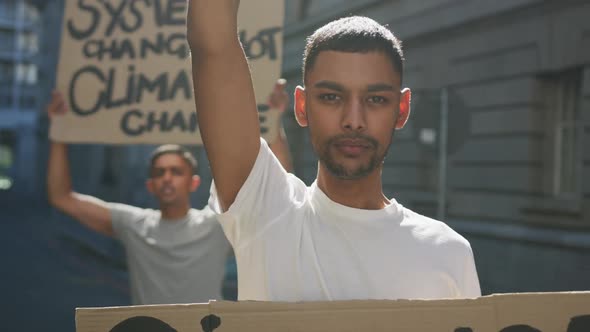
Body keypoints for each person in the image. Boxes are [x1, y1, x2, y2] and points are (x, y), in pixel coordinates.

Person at [187, 1, 481, 302]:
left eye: (376, 99)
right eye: (331, 97)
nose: (353, 120)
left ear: (402, 110)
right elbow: (213, 44)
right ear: (301, 107)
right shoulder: (265, 212)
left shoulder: (449, 252)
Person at [45, 80, 293, 305]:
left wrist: (274, 121)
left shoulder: (216, 225)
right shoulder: (132, 224)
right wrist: (58, 132)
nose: (167, 178)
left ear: (193, 183)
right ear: (150, 185)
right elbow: (62, 197)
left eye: (176, 172)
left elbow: (275, 192)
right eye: (159, 173)